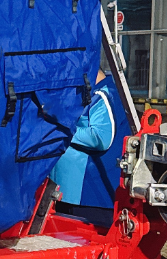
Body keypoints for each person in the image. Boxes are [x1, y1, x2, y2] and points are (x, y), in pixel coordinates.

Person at [49, 68, 132, 227]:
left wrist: (62, 131)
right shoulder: (92, 93)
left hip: (89, 195)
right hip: (73, 192)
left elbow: (100, 137)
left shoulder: (104, 95)